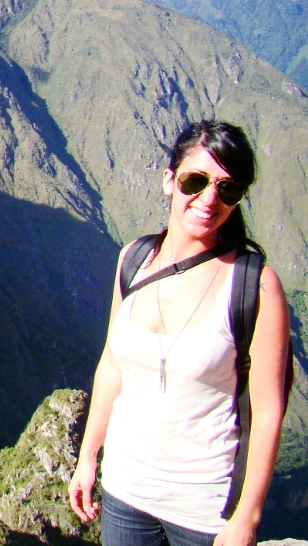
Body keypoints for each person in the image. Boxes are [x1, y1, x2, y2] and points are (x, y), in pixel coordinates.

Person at [67, 120, 290, 546]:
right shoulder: (133, 260)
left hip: (204, 509)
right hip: (124, 494)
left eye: (227, 189)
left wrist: (247, 517)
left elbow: (267, 411)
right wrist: (88, 457)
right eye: (196, 181)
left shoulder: (254, 286)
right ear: (170, 180)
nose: (209, 199)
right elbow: (112, 365)